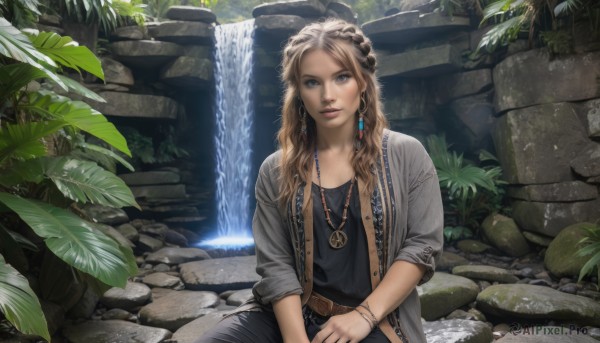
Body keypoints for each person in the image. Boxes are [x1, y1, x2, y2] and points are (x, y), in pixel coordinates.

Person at [196, 18, 443, 343]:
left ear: (363, 82)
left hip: (378, 317)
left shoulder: (406, 155)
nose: (328, 95)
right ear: (298, 91)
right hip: (290, 312)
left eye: (342, 77)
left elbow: (423, 246)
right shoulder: (275, 170)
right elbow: (276, 264)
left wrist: (363, 316)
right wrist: (296, 339)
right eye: (312, 82)